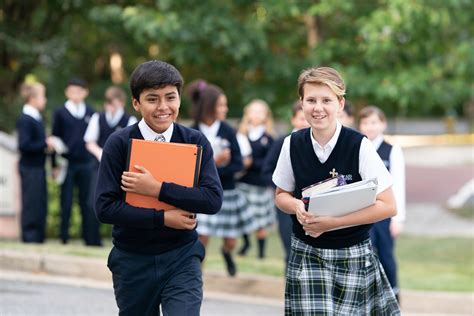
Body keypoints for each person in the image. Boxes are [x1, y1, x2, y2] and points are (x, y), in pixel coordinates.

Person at [95, 60, 223, 315]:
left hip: (182, 257)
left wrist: (157, 188)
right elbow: (105, 208)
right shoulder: (119, 143)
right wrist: (163, 218)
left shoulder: (194, 141)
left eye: (170, 98)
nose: (163, 107)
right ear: (136, 103)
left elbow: (212, 199)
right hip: (132, 260)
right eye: (152, 99)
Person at [272, 66, 400, 314]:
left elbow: (388, 205)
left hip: (352, 254)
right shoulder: (292, 144)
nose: (317, 108)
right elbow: (281, 196)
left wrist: (332, 222)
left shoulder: (358, 145)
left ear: (340, 104)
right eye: (311, 100)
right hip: (307, 254)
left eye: (326, 100)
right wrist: (296, 205)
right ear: (301, 103)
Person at [187, 79, 250, 277]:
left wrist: (214, 168)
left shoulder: (228, 131)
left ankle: (226, 252)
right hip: (201, 191)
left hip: (227, 191)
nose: (225, 108)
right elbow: (189, 168)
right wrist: (214, 162)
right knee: (202, 236)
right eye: (221, 104)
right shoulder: (192, 131)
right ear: (209, 105)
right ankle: (197, 273)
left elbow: (238, 164)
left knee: (231, 240)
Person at [359, 105, 406, 302]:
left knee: (386, 256)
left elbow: (399, 184)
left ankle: (393, 296)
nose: (369, 127)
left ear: (383, 124)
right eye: (365, 123)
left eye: (374, 122)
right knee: (365, 257)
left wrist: (398, 219)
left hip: (385, 214)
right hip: (363, 214)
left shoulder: (392, 150)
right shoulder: (359, 148)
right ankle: (368, 298)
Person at [52, 78, 102, 246]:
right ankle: (64, 237)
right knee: (65, 201)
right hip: (67, 163)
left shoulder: (91, 112)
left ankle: (88, 238)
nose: (76, 94)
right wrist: (54, 165)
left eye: (79, 91)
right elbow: (54, 138)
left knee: (86, 202)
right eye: (72, 91)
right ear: (67, 92)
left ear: (85, 92)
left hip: (87, 163)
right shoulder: (60, 112)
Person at [262, 101, 309, 272]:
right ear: (293, 120)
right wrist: (285, 187)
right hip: (287, 207)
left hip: (312, 205)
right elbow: (267, 170)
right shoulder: (284, 142)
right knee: (290, 250)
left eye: (307, 118)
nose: (305, 122)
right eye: (301, 118)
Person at [236, 99, 275, 259]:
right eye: (253, 111)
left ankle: (261, 254)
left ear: (266, 116)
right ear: (247, 114)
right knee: (242, 219)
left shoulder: (269, 138)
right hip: (243, 183)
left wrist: (251, 162)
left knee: (259, 222)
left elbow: (269, 163)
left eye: (260, 112)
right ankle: (246, 244)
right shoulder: (240, 135)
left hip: (259, 185)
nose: (257, 115)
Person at [16, 82, 54, 243]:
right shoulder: (26, 119)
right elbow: (24, 145)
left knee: (39, 202)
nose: (44, 100)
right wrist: (45, 144)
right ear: (32, 98)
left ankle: (38, 236)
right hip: (29, 167)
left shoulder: (36, 117)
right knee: (31, 202)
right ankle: (30, 236)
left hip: (38, 167)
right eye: (42, 97)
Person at [84, 86, 137, 163]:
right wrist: (100, 153)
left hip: (121, 162)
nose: (110, 106)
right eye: (108, 103)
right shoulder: (97, 117)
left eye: (113, 104)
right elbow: (89, 142)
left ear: (122, 103)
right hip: (99, 164)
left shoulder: (130, 120)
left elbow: (133, 145)